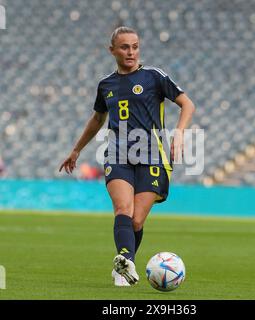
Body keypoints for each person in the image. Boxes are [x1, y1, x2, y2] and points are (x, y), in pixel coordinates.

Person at [59, 26, 195, 286]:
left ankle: (124, 261)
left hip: (152, 157)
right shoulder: (106, 84)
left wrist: (179, 133)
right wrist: (77, 149)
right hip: (118, 155)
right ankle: (125, 260)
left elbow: (187, 104)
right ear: (112, 51)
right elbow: (98, 118)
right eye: (124, 47)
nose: (131, 52)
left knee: (136, 220)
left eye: (135, 46)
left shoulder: (154, 76)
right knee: (123, 208)